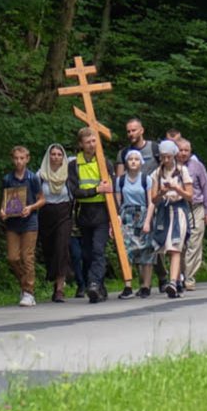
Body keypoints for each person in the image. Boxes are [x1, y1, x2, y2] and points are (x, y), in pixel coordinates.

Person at [144, 139, 193, 297]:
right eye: (162, 157)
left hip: (179, 210)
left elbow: (190, 196)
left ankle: (172, 281)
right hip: (164, 211)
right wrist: (162, 192)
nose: (165, 160)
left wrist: (177, 188)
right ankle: (177, 282)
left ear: (174, 155)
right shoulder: (156, 173)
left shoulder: (182, 171)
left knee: (175, 247)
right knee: (165, 248)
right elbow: (153, 199)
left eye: (168, 157)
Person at [70, 127, 113, 302]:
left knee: (98, 250)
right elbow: (74, 191)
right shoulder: (74, 165)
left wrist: (115, 216)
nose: (91, 145)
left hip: (102, 212)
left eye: (94, 141)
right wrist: (96, 190)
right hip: (84, 212)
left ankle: (94, 283)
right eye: (88, 142)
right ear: (81, 144)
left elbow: (112, 190)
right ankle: (99, 287)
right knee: (86, 253)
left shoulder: (104, 162)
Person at [0, 145, 44, 306]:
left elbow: (42, 199)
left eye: (22, 158)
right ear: (12, 160)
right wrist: (3, 211)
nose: (19, 161)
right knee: (12, 257)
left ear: (27, 159)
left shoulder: (32, 178)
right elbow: (5, 200)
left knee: (27, 257)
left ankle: (29, 292)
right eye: (16, 158)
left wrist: (30, 208)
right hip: (13, 223)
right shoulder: (7, 179)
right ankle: (24, 284)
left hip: (29, 222)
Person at [116, 148, 158, 297]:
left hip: (143, 215)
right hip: (127, 216)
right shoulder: (120, 180)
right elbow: (118, 202)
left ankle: (145, 286)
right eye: (130, 159)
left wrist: (147, 221)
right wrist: (117, 219)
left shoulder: (146, 179)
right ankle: (128, 285)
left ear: (141, 162)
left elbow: (151, 202)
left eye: (136, 159)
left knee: (146, 251)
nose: (133, 162)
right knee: (126, 250)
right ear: (126, 162)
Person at [36, 142, 75, 302]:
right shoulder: (40, 175)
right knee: (50, 249)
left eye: (59, 154)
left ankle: (60, 288)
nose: (56, 157)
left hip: (64, 212)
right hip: (46, 213)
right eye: (53, 154)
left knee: (62, 246)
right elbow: (36, 196)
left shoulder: (68, 173)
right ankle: (56, 279)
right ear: (48, 156)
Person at [179, 137, 207, 291]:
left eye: (186, 150)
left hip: (197, 208)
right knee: (180, 244)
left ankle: (189, 277)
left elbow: (206, 188)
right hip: (179, 207)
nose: (183, 153)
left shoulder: (197, 166)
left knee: (194, 243)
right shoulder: (172, 167)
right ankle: (179, 275)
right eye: (181, 150)